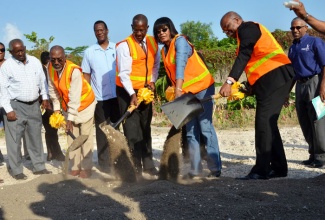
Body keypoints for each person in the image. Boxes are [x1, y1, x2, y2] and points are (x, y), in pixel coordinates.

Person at [219, 12, 295, 180]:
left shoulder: (248, 28)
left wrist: (230, 81)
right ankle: (279, 168)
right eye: (224, 31)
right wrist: (249, 87)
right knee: (269, 123)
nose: (226, 32)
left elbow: (244, 55)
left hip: (277, 76)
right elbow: (257, 64)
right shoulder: (244, 35)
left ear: (237, 20)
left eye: (227, 27)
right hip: (272, 80)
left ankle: (261, 170)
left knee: (263, 123)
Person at [153, 17, 222, 178]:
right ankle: (196, 169)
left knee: (205, 127)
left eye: (164, 29)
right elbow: (171, 75)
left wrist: (177, 89)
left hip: (203, 89)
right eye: (158, 31)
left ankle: (215, 168)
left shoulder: (181, 41)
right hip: (186, 94)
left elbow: (181, 64)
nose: (161, 33)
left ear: (170, 29)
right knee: (191, 131)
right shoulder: (164, 50)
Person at [0, 39, 52, 180]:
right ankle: (16, 170)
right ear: (11, 52)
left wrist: (45, 97)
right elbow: (2, 90)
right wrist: (8, 109)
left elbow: (42, 81)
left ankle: (39, 166)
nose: (21, 53)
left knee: (35, 136)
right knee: (14, 140)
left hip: (34, 105)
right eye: (17, 52)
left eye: (22, 50)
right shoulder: (6, 67)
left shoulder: (34, 61)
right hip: (15, 105)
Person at [116, 14, 159, 177]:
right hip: (127, 93)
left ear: (147, 28)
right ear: (131, 27)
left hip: (145, 91)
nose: (138, 33)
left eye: (141, 30)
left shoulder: (153, 42)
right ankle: (136, 168)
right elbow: (124, 74)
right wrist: (132, 94)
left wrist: (153, 81)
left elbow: (156, 64)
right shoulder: (124, 46)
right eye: (135, 30)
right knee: (132, 130)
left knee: (145, 127)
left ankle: (148, 165)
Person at [48, 45, 96, 178]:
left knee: (85, 137)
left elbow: (74, 97)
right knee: (71, 137)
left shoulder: (74, 71)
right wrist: (57, 110)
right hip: (67, 107)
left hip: (85, 105)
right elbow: (53, 91)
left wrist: (70, 118)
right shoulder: (50, 69)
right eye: (53, 60)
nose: (56, 63)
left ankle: (86, 167)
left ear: (65, 58)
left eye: (59, 59)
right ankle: (75, 166)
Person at [81, 20, 120, 173]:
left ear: (107, 30)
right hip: (99, 99)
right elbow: (86, 75)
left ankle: (117, 159)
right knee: (102, 131)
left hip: (117, 97)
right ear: (94, 32)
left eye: (102, 29)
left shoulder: (117, 48)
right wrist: (88, 96)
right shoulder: (90, 52)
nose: (99, 32)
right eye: (96, 30)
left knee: (116, 128)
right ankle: (104, 164)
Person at [288, 17, 325, 168]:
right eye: (292, 28)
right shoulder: (292, 47)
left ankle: (321, 156)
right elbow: (291, 72)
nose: (295, 30)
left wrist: (323, 87)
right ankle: (312, 154)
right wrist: (286, 93)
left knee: (318, 120)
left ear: (305, 28)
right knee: (304, 120)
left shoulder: (315, 42)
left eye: (298, 27)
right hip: (299, 85)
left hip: (314, 82)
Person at [40, 51, 65, 161]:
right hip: (46, 104)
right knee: (51, 130)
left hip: (52, 103)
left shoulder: (51, 70)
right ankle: (56, 152)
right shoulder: (43, 70)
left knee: (50, 130)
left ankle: (51, 152)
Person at [0, 42, 6, 165]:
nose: (0, 52)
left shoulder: (9, 64)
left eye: (2, 49)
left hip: (8, 103)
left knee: (12, 132)